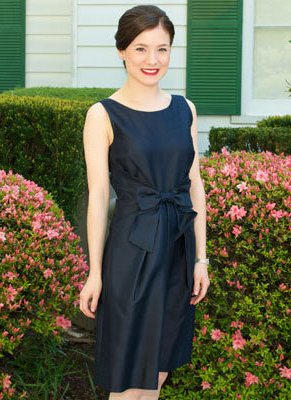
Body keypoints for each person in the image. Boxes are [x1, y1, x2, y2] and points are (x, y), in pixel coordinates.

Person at [78, 5, 210, 400]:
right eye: (140, 49)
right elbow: (100, 196)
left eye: (162, 49)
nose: (152, 60)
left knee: (158, 370)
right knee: (128, 374)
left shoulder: (184, 109)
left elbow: (195, 185)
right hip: (132, 255)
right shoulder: (102, 115)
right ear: (122, 51)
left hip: (177, 253)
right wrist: (95, 273)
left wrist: (201, 258)